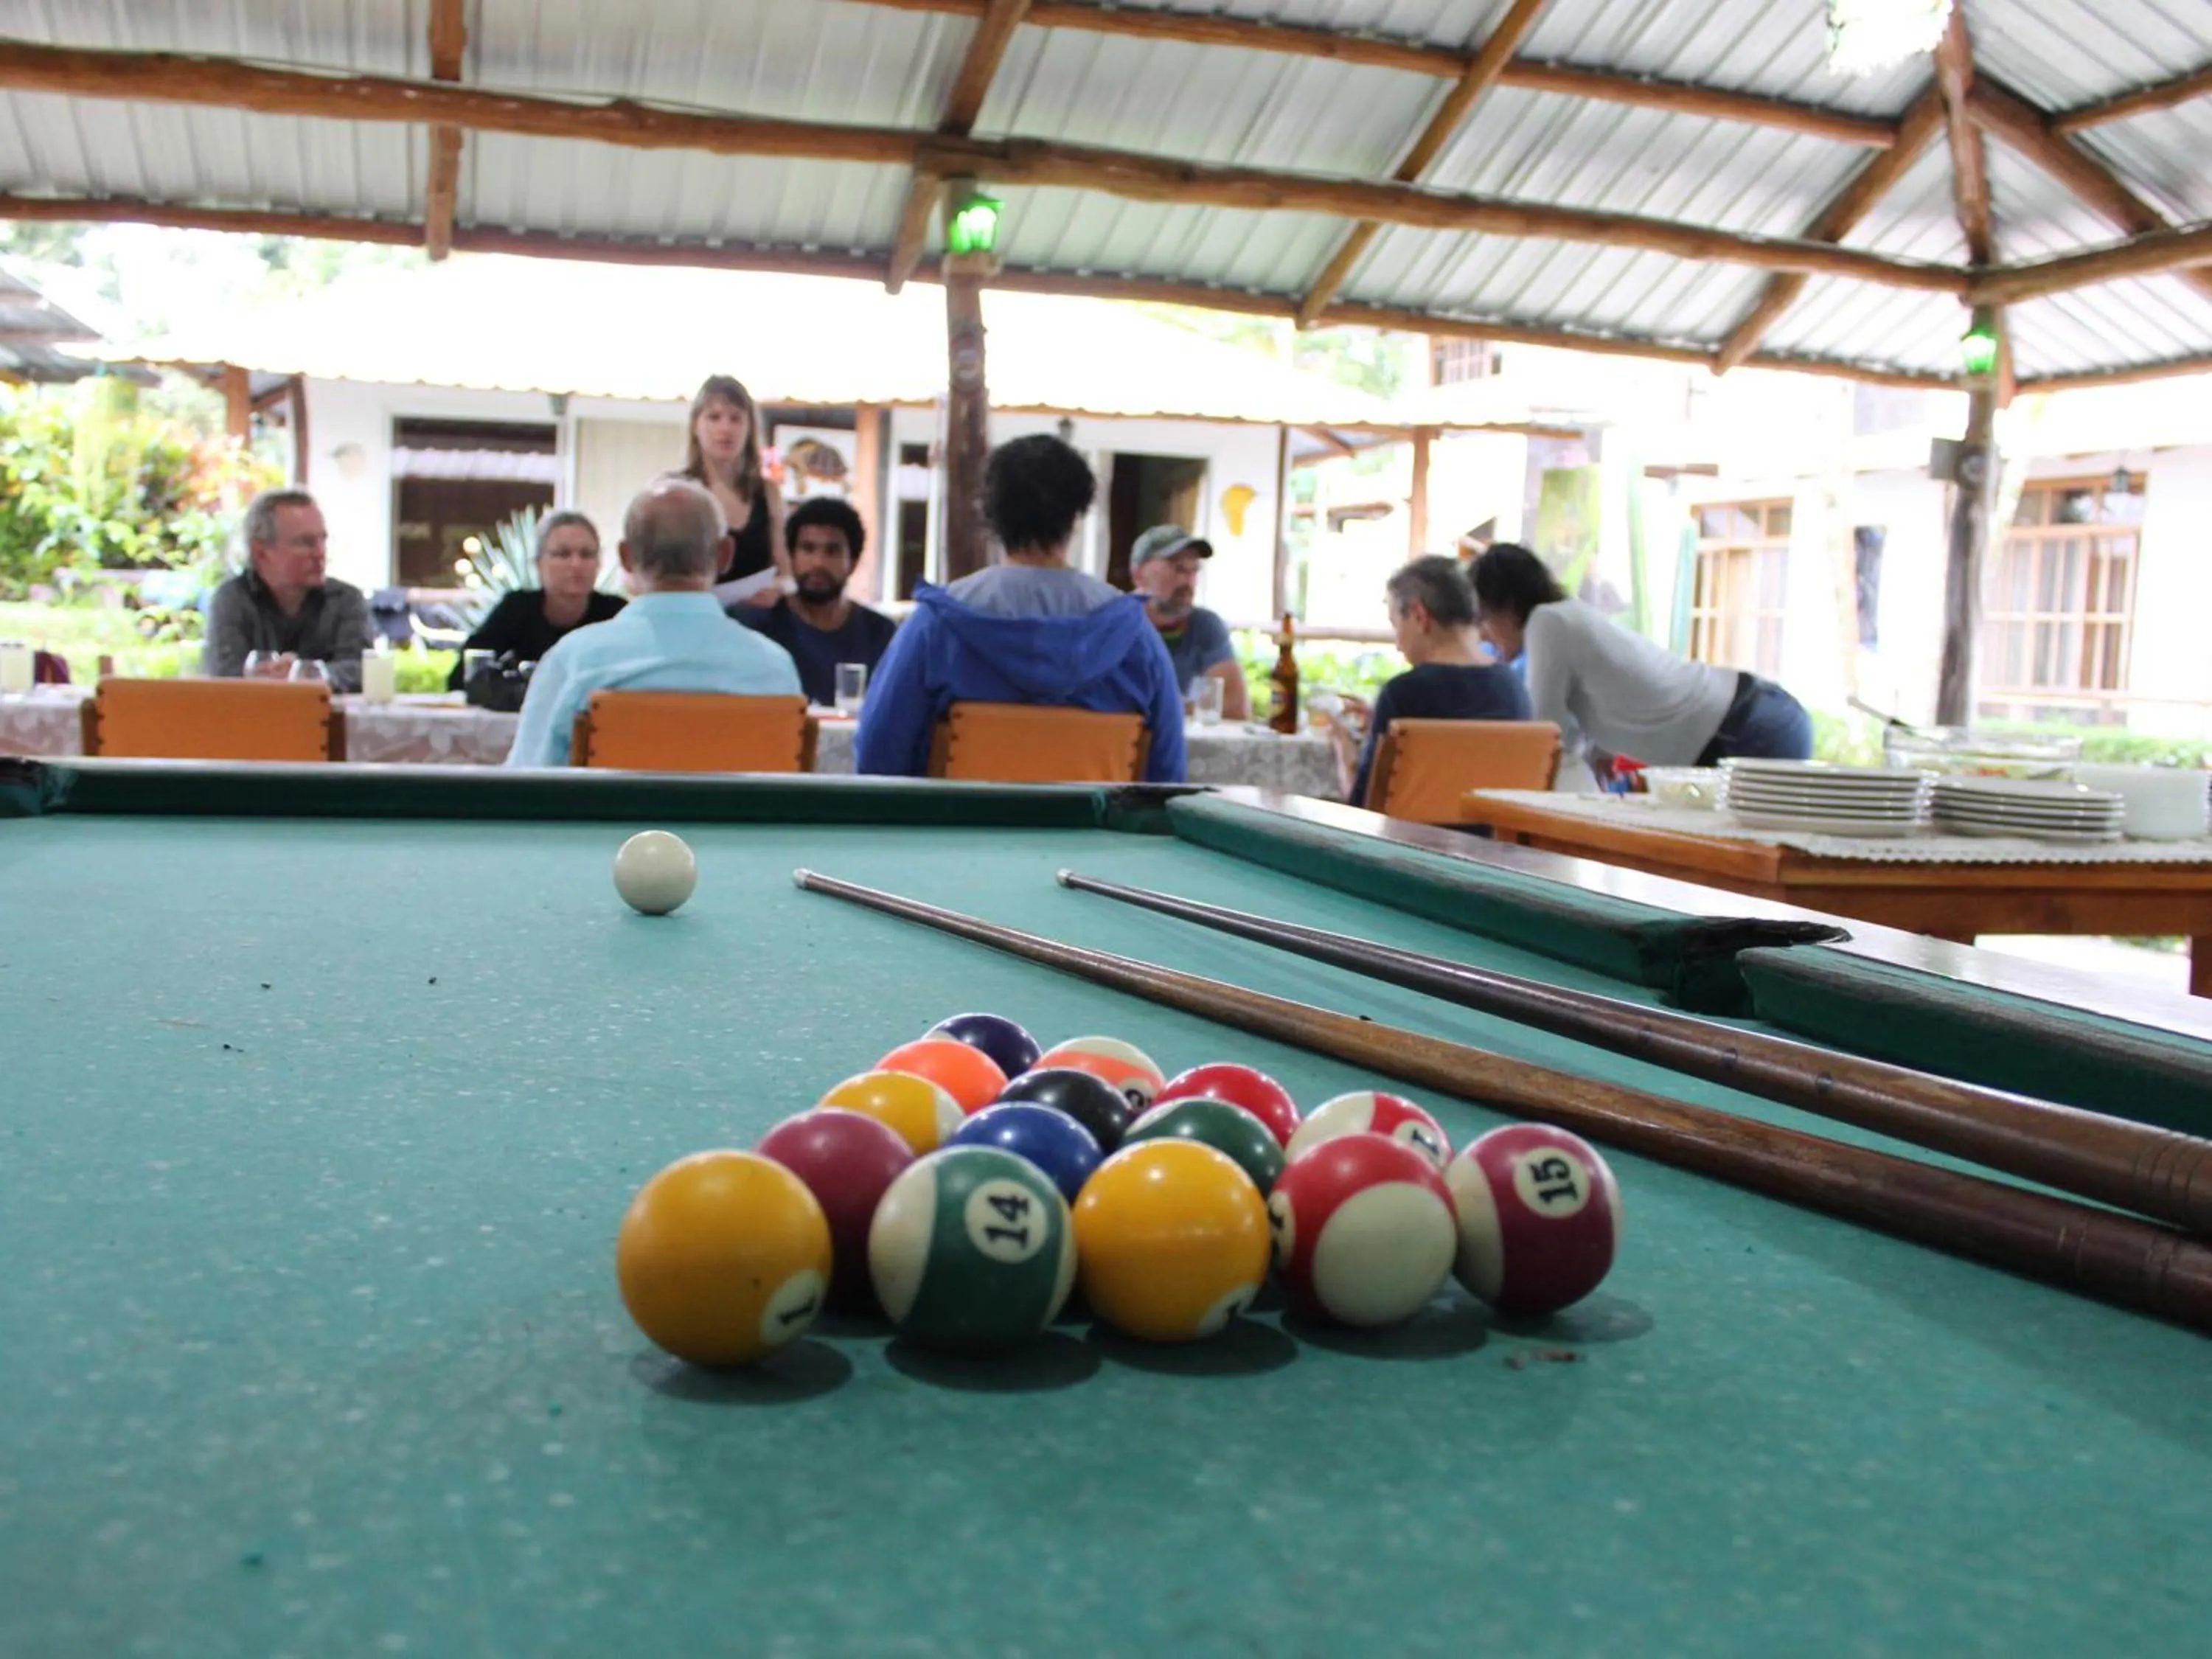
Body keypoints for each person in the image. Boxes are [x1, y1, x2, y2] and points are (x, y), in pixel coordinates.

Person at [855, 434, 1185, 782]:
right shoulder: (1136, 637)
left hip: (959, 819)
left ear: (990, 514)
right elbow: (1167, 777)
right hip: (1089, 820)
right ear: (1077, 514)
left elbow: (878, 759)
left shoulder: (935, 626)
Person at [504, 479, 801, 768]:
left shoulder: (574, 662)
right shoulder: (773, 670)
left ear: (626, 557)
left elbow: (524, 784)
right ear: (725, 555)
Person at [1470, 542, 1813, 781]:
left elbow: (1545, 734)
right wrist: (1598, 754)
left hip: (1746, 726)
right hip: (1749, 720)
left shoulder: (1548, 622)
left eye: (1482, 617)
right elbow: (1573, 732)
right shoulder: (1566, 617)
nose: (1483, 634)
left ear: (1508, 604)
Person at [1324, 555, 1532, 804]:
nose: (1398, 644)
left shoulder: (1403, 694)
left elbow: (1363, 806)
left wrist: (1343, 746)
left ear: (1419, 615)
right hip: (1494, 830)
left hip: (1409, 831)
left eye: (1396, 625)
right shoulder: (1513, 686)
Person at [733, 496, 898, 707]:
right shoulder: (757, 627)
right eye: (808, 549)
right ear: (792, 557)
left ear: (853, 562)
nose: (818, 563)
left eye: (832, 551)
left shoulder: (881, 635)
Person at [203, 490, 374, 691]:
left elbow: (362, 670)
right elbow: (224, 674)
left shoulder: (345, 600)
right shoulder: (233, 600)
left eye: (323, 540)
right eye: (306, 543)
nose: (320, 553)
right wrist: (269, 678)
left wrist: (304, 674)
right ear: (261, 553)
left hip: (325, 711)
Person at [447, 511, 625, 689]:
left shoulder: (617, 615)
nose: (576, 564)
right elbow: (462, 678)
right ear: (538, 563)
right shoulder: (515, 609)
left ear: (599, 563)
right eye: (563, 554)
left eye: (586, 554)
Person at [678, 375, 786, 608]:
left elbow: (786, 572)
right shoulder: (675, 491)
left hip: (755, 619)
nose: (725, 428)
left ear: (749, 428)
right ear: (696, 425)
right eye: (714, 417)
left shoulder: (767, 493)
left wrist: (777, 589)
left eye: (736, 419)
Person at [1128, 523, 1249, 721]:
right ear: (1139, 574)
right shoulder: (1114, 624)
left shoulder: (1206, 626)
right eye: (1178, 568)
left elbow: (1234, 707)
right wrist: (1194, 706)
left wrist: (1152, 707)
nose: (1188, 581)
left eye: (1194, 570)